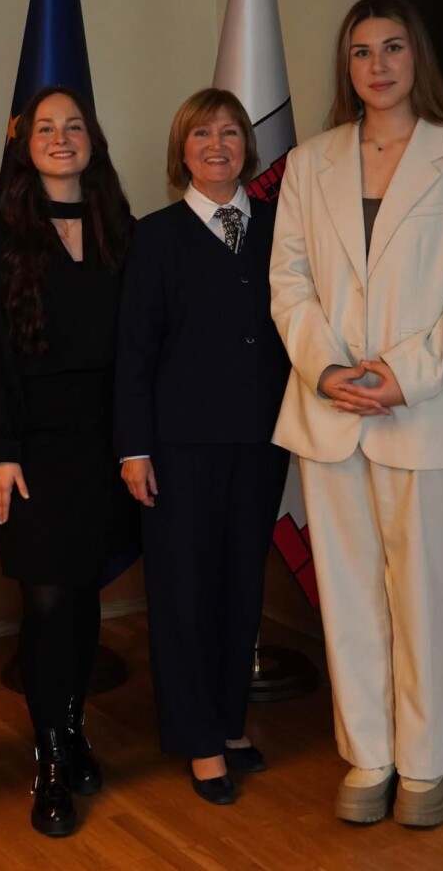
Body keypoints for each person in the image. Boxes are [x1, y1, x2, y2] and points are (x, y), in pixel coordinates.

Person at [269, 0, 443, 828]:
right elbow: (289, 282)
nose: (377, 66)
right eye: (361, 51)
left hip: (426, 411)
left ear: (419, 58)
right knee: (346, 593)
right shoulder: (310, 164)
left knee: (421, 592)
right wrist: (329, 369)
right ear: (346, 67)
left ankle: (425, 763)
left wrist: (401, 377)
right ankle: (368, 755)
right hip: (330, 409)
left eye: (392, 48)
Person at [115, 88, 291, 805]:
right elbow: (134, 352)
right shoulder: (155, 237)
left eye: (230, 133)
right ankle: (198, 740)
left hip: (262, 441)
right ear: (180, 151)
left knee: (242, 587)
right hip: (178, 448)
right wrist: (134, 449)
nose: (217, 146)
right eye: (201, 135)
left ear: (248, 146)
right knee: (183, 594)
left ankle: (229, 721)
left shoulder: (282, 227)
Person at [0, 85, 134, 838]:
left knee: (84, 591)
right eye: (45, 128)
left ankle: (72, 729)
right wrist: (0, 452)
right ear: (24, 145)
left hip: (104, 441)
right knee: (45, 603)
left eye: (74, 126)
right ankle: (50, 760)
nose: (62, 137)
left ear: (92, 139)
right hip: (33, 445)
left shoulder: (120, 229)